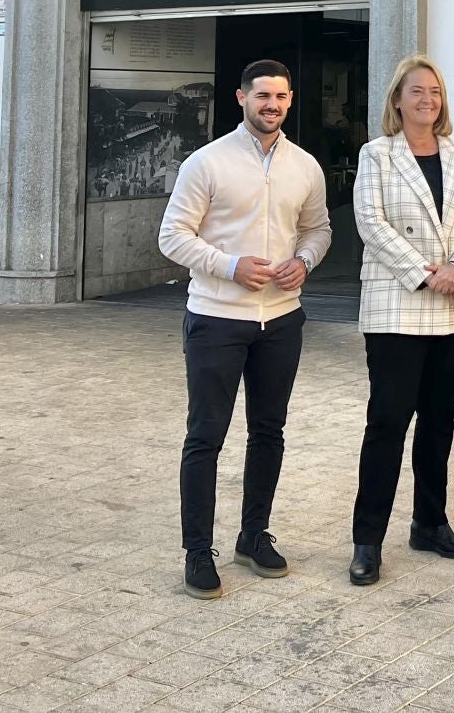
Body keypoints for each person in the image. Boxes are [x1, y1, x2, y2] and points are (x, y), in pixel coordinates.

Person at [157, 59, 332, 600]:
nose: (271, 105)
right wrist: (229, 266)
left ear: (290, 100)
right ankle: (196, 550)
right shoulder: (206, 162)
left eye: (280, 96)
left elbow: (319, 229)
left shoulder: (305, 166)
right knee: (205, 437)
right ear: (241, 98)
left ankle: (253, 535)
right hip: (216, 318)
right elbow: (172, 236)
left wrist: (304, 260)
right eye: (262, 96)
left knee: (269, 432)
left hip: (281, 319)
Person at [347, 55, 454, 586]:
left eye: (435, 91)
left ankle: (430, 523)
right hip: (398, 305)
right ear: (397, 100)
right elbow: (370, 221)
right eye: (416, 91)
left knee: (439, 422)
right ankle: (367, 539)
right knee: (387, 424)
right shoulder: (378, 155)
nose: (427, 100)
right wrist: (423, 271)